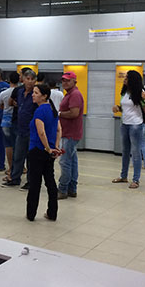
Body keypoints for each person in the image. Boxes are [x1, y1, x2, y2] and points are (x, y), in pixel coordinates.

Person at [26, 84, 62, 221]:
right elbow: (59, 130)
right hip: (49, 153)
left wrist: (47, 148)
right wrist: (55, 147)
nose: (33, 95)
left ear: (44, 96)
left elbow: (41, 132)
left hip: (37, 150)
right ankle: (52, 212)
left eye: (36, 93)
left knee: (35, 183)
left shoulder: (40, 111)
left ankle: (31, 214)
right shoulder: (53, 109)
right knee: (50, 182)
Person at [112, 70, 145, 189]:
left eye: (127, 77)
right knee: (125, 151)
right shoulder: (124, 92)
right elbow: (126, 108)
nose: (124, 79)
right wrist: (118, 108)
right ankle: (123, 176)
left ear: (133, 80)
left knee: (135, 152)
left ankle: (136, 180)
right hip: (124, 124)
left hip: (136, 125)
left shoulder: (140, 93)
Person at [2, 69, 37, 189]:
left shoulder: (36, 93)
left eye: (32, 79)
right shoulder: (20, 92)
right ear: (23, 80)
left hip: (32, 130)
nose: (30, 81)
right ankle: (15, 178)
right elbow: (11, 102)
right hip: (20, 128)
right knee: (18, 155)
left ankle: (31, 182)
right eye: (28, 79)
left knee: (31, 158)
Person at [57, 71, 84, 199]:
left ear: (74, 81)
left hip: (70, 134)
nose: (65, 83)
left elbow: (74, 113)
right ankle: (72, 189)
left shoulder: (75, 95)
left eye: (68, 80)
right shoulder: (69, 94)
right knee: (72, 162)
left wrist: (59, 114)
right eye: (63, 80)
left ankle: (62, 189)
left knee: (64, 162)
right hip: (69, 133)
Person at [0, 72, 19, 174]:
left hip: (6, 120)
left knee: (8, 145)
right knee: (19, 144)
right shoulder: (21, 91)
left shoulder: (3, 93)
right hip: (18, 120)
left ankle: (11, 167)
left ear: (9, 80)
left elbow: (1, 106)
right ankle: (21, 167)